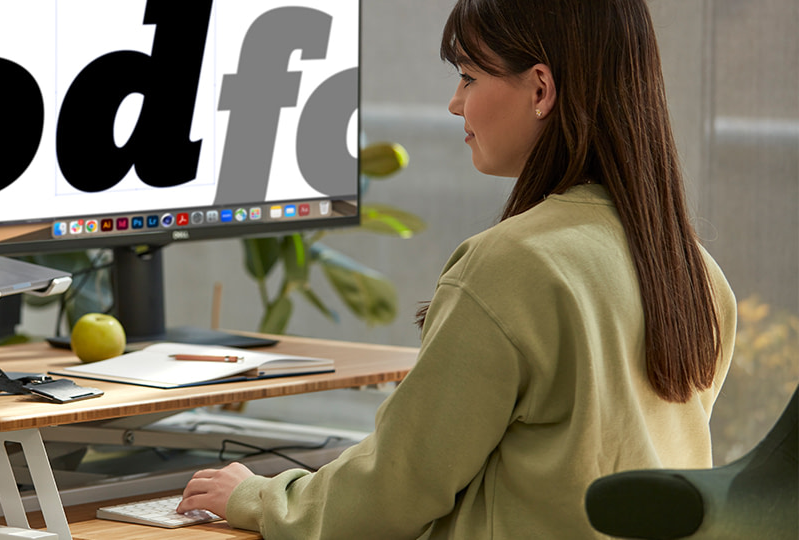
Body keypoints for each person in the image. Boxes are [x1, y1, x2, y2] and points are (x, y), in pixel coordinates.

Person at [176, 0, 738, 537]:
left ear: (541, 89)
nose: (454, 103)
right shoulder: (694, 270)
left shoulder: (513, 265)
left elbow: (398, 488)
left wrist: (258, 496)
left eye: (468, 78)